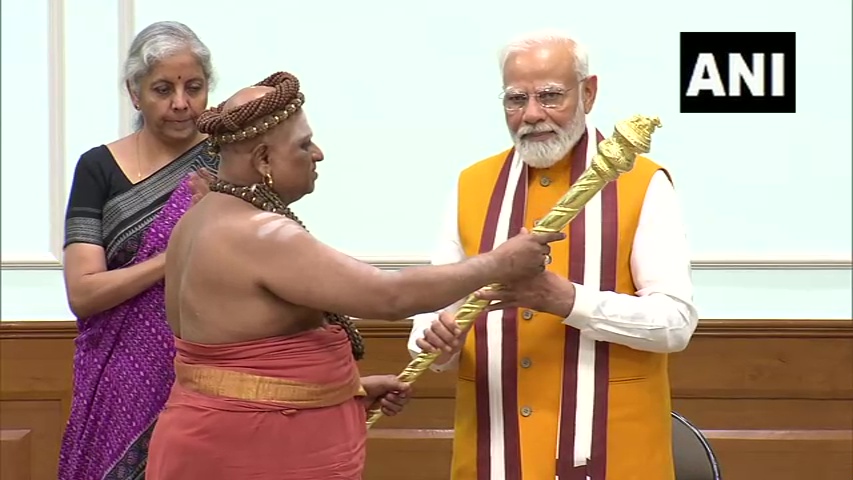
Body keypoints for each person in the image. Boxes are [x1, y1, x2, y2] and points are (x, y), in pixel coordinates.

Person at [143, 71, 565, 480]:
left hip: (217, 435)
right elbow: (389, 296)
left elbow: (239, 358)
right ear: (264, 159)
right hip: (248, 450)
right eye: (304, 144)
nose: (318, 153)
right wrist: (499, 263)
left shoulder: (198, 219)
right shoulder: (260, 233)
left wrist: (345, 390)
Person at [408, 30, 699, 480]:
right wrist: (434, 341)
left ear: (589, 92)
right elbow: (433, 311)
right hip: (492, 448)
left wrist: (566, 300)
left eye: (549, 96)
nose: (531, 115)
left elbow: (675, 323)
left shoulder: (644, 182)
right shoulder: (471, 184)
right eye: (515, 99)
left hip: (615, 452)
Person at [58, 21, 217, 480]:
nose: (181, 103)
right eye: (163, 89)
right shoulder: (98, 168)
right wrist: (175, 255)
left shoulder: (228, 164)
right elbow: (84, 292)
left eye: (195, 87)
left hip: (210, 367)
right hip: (121, 373)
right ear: (134, 92)